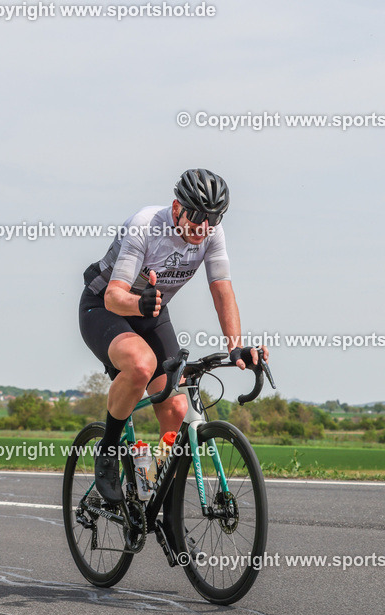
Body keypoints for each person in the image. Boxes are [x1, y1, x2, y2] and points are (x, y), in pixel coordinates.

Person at [78, 168, 267, 506]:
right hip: (105, 306)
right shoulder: (146, 225)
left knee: (177, 408)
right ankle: (107, 452)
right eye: (196, 216)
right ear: (177, 206)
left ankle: (162, 503)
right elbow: (113, 295)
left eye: (213, 218)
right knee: (141, 364)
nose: (203, 226)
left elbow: (222, 291)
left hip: (152, 310)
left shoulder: (211, 233)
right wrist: (139, 301)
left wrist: (235, 346)